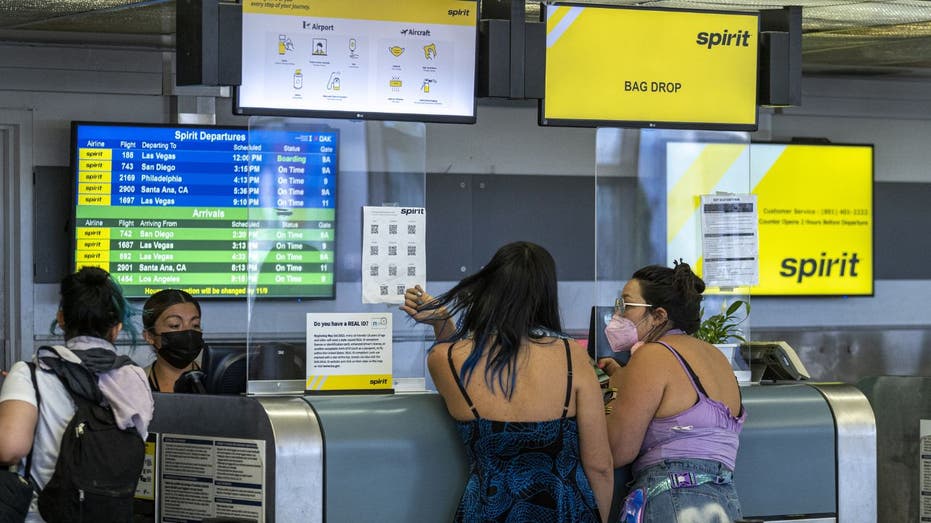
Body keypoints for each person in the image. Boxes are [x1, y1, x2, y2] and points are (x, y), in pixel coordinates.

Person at [402, 241, 613, 522]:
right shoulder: (572, 355)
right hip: (563, 509)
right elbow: (600, 466)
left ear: (488, 286)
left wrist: (443, 322)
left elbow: (460, 369)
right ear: (546, 293)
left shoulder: (444, 358)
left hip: (485, 511)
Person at [0, 266, 154, 521]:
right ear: (116, 328)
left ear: (61, 319)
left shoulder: (30, 373)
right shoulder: (135, 377)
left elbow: (10, 449)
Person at [598, 261, 746, 523]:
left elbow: (617, 450)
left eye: (626, 306)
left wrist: (612, 392)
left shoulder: (652, 356)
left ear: (658, 316)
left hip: (670, 502)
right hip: (724, 503)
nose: (617, 314)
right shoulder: (716, 357)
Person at [142, 289, 205, 393]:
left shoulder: (218, 378)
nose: (188, 332)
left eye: (195, 325)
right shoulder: (135, 384)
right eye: (175, 325)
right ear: (149, 336)